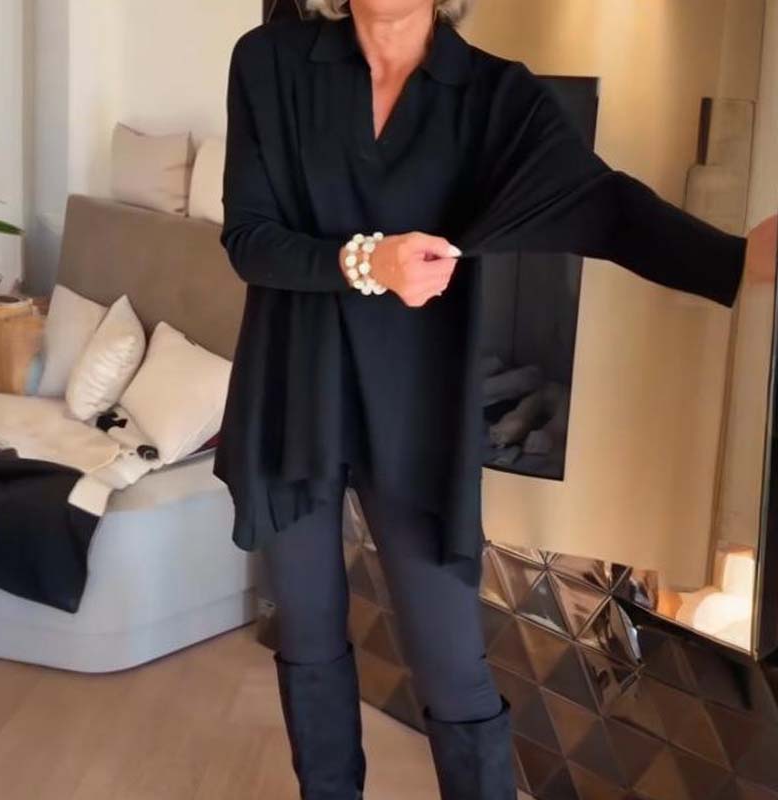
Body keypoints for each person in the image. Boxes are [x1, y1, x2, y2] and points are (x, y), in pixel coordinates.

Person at [214, 1, 777, 798]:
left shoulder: (492, 94)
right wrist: (368, 262)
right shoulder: (269, 62)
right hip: (291, 391)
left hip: (416, 409)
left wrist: (734, 259)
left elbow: (605, 207)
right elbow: (249, 239)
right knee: (307, 639)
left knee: (451, 664)